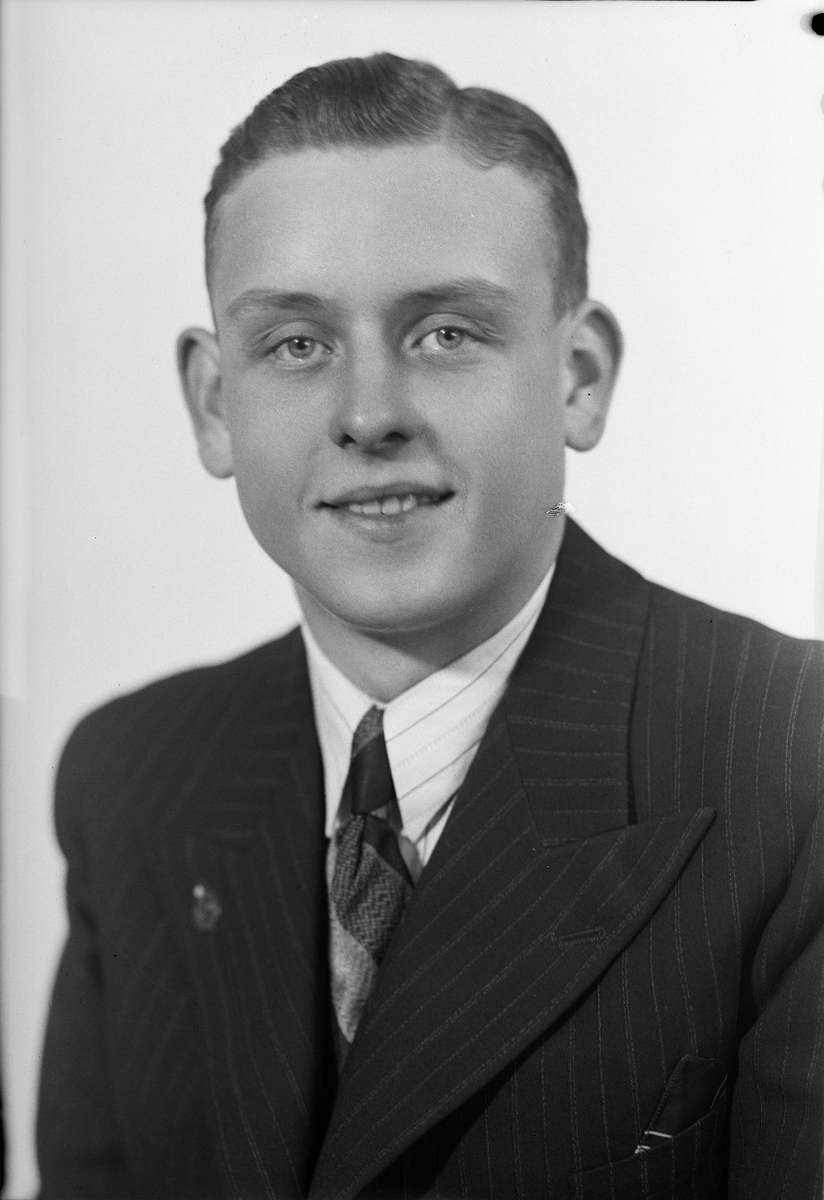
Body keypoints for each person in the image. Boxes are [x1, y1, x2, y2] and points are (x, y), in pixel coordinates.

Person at [36, 53, 823, 1200]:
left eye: (445, 333)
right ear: (213, 405)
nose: (368, 416)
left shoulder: (793, 764)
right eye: (296, 343)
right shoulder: (131, 776)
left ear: (578, 377)